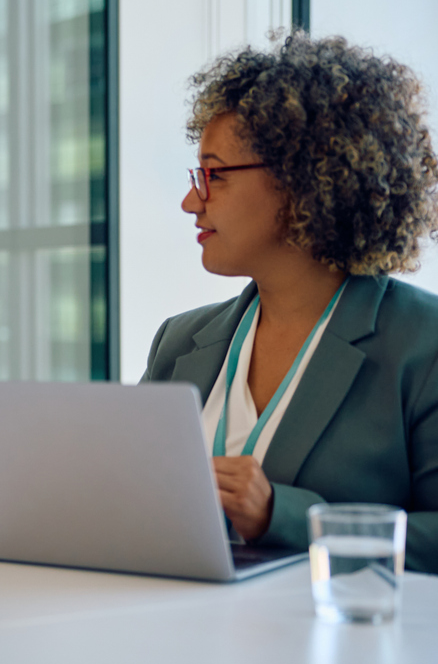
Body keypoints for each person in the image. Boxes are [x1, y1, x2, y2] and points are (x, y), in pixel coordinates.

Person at [142, 33, 438, 572]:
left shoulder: (424, 345)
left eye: (214, 175)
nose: (190, 201)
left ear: (303, 181)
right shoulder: (178, 342)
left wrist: (285, 515)